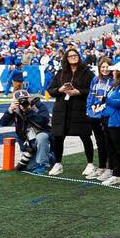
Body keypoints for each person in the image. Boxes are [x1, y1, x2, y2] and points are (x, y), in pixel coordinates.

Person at [46, 47, 96, 177]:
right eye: (70, 56)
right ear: (66, 59)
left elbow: (93, 90)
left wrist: (78, 92)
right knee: (58, 137)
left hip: (79, 108)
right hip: (61, 109)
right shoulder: (61, 73)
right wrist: (60, 89)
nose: (74, 57)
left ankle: (90, 164)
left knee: (85, 136)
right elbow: (51, 90)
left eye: (76, 55)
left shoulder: (88, 73)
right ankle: (58, 164)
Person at [0, 90, 52, 173]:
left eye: (25, 99)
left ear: (29, 98)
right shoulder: (15, 109)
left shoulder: (39, 106)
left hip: (44, 133)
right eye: (20, 100)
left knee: (41, 137)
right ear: (15, 101)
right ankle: (49, 155)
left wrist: (30, 111)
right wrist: (9, 111)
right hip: (27, 141)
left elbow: (43, 122)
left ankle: (42, 164)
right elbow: (3, 123)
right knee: (29, 167)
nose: (23, 102)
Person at [85, 58, 115, 181]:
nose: (105, 69)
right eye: (102, 67)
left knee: (110, 143)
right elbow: (90, 96)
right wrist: (89, 110)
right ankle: (102, 168)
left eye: (107, 66)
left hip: (106, 115)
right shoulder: (95, 79)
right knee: (99, 142)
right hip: (94, 115)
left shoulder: (115, 80)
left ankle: (111, 169)